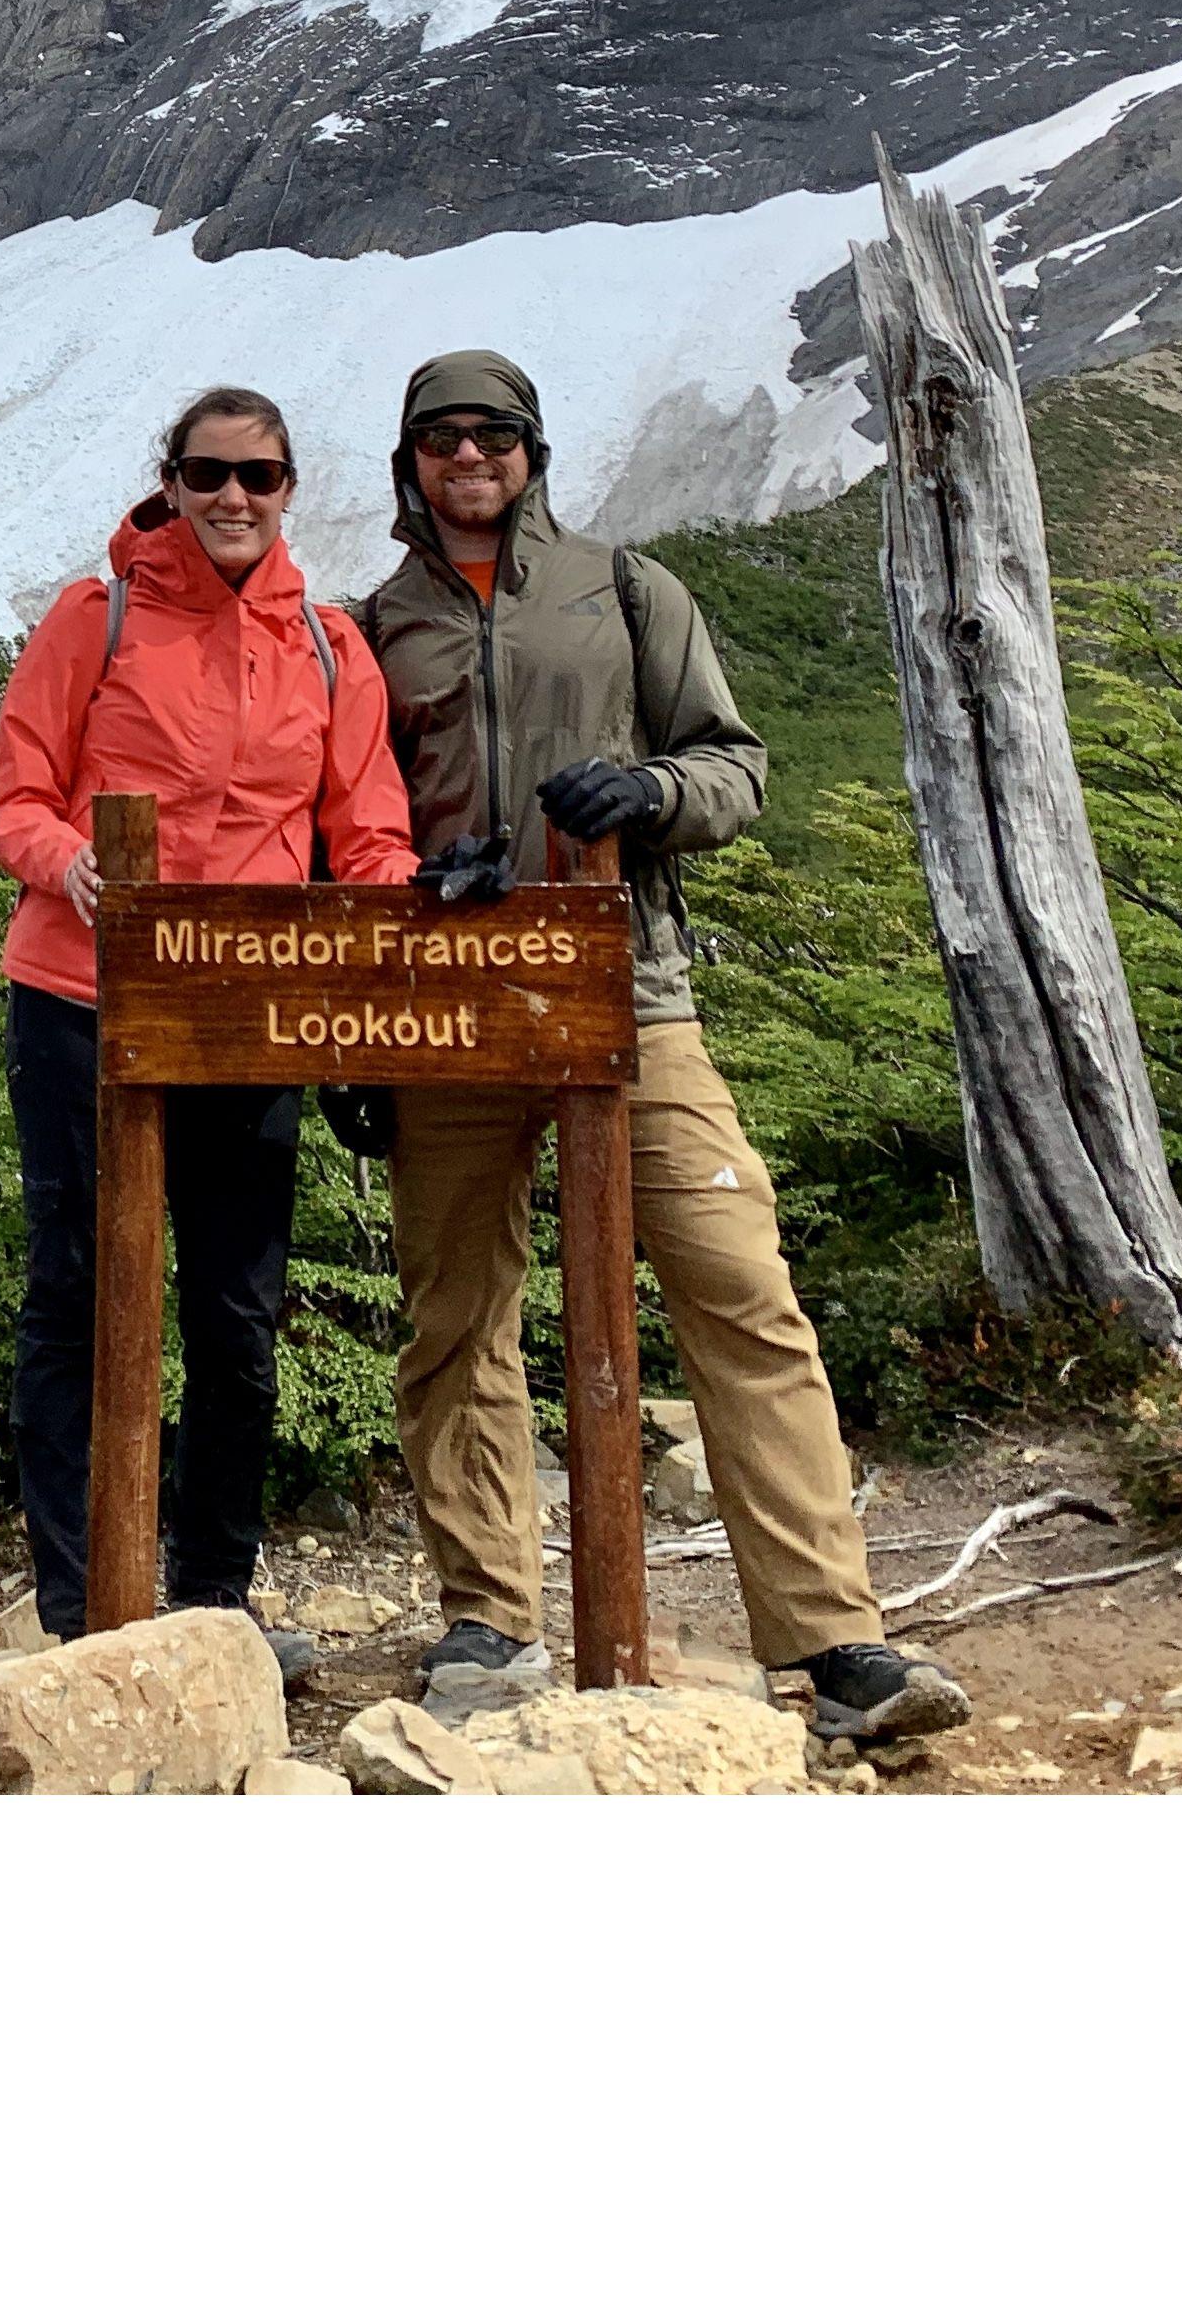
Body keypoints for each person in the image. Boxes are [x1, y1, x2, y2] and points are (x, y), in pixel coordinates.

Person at [358, 349, 970, 1747]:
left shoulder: (629, 589)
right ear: (410, 461)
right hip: (453, 1012)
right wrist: (386, 955)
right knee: (457, 1318)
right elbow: (351, 822)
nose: (472, 456)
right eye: (444, 436)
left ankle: (832, 1643)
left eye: (497, 433)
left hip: (636, 995)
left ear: (534, 451)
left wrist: (647, 790)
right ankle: (486, 1619)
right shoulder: (371, 626)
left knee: (739, 1287)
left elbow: (736, 765)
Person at [0, 385, 417, 1647]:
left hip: (247, 1015)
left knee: (234, 1310)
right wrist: (70, 863)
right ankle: (81, 1608)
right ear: (168, 480)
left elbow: (368, 834)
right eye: (209, 472)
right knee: (78, 1289)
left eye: (260, 475)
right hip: (83, 1000)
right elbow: (14, 800)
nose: (235, 496)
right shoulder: (95, 616)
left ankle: (214, 1601)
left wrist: (412, 931)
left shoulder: (329, 646)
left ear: (291, 489)